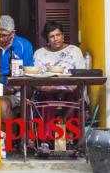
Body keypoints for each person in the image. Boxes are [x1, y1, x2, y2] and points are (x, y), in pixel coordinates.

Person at [32, 20, 86, 151]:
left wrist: (70, 87)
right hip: (47, 90)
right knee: (46, 100)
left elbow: (82, 75)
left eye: (58, 35)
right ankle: (45, 141)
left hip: (71, 90)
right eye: (52, 36)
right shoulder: (39, 54)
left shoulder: (74, 51)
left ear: (63, 35)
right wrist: (45, 88)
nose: (56, 39)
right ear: (47, 38)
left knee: (74, 100)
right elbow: (35, 79)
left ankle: (70, 139)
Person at [0, 15, 34, 124]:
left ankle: (11, 140)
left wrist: (13, 89)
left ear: (12, 33)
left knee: (3, 105)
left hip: (17, 90)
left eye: (3, 35)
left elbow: (29, 73)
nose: (0, 38)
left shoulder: (24, 45)